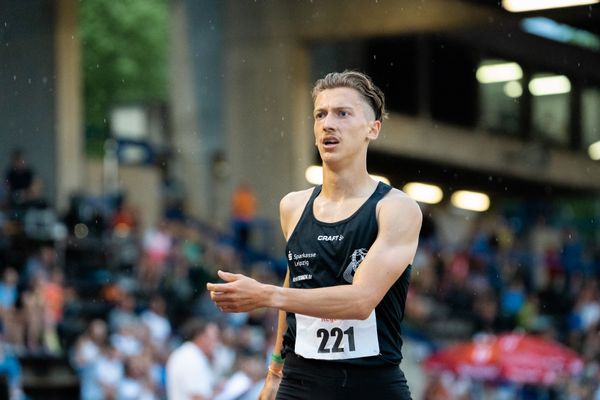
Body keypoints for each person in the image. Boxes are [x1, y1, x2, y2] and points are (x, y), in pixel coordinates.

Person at [207, 70, 422, 399]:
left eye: (343, 113)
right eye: (320, 114)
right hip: (300, 382)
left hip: (370, 385)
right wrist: (275, 370)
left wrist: (264, 296)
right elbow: (293, 283)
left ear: (373, 128)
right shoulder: (293, 206)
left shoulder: (396, 208)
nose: (328, 123)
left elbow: (361, 300)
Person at [166, 319, 220, 400]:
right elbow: (197, 397)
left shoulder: (191, 354)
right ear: (202, 337)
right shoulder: (190, 358)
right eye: (214, 339)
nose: (216, 343)